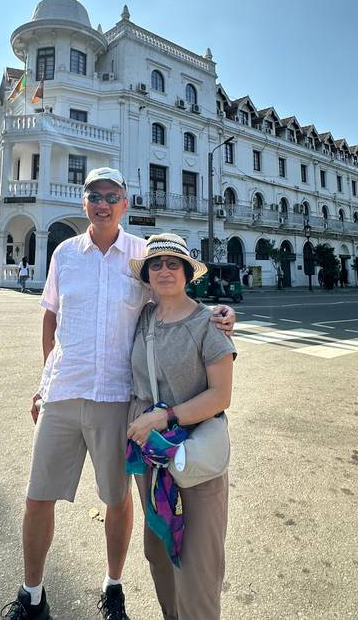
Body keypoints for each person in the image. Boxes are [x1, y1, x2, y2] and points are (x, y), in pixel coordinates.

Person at [0, 168, 236, 620]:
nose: (103, 203)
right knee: (37, 496)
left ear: (125, 203)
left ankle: (113, 588)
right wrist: (43, 380)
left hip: (116, 398)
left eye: (112, 196)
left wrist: (221, 316)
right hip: (64, 389)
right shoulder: (65, 253)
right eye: (95, 195)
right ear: (83, 201)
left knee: (117, 498)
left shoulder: (143, 254)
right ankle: (32, 594)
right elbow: (50, 315)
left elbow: (176, 299)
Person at [127, 234, 236, 620]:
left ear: (188, 273)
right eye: (155, 264)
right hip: (151, 455)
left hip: (196, 456)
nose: (164, 270)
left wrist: (165, 416)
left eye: (174, 263)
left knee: (199, 562)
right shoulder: (142, 318)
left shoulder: (209, 323)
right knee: (158, 551)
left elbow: (220, 396)